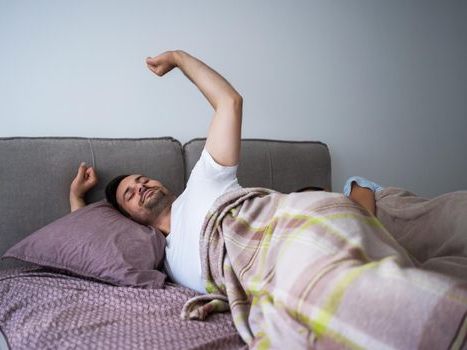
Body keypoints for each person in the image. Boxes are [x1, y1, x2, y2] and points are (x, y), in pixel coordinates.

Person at [68, 50, 408, 293]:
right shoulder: (159, 258)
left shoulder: (202, 180)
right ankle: (357, 202)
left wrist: (179, 58)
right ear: (128, 218)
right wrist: (76, 196)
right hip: (264, 277)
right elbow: (88, 246)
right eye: (131, 193)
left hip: (279, 232)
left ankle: (360, 199)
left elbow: (229, 101)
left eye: (143, 179)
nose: (141, 186)